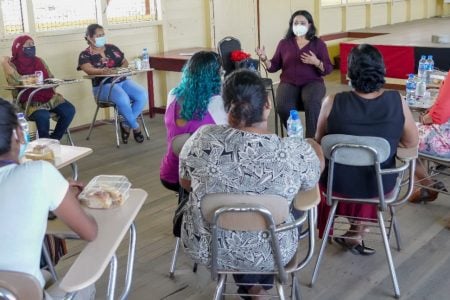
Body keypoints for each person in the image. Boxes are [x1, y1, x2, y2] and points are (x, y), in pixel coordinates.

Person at [179, 70, 324, 299]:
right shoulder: (292, 152)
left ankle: (252, 287)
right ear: (267, 104)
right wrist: (313, 146)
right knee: (288, 204)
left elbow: (185, 183)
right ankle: (258, 287)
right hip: (275, 252)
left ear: (226, 108)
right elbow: (312, 179)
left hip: (212, 246)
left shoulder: (201, 138)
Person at [315, 44, 418, 255]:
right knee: (373, 170)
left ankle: (356, 229)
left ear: (350, 72)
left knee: (353, 171)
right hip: (378, 187)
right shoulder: (397, 102)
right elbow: (411, 143)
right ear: (382, 70)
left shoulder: (332, 102)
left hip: (336, 184)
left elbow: (319, 142)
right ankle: (359, 229)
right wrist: (383, 143)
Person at [0, 98, 98, 298]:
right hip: (17, 292)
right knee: (85, 286)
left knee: (45, 274)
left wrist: (55, 191)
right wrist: (64, 197)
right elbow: (90, 232)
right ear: (17, 133)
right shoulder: (40, 174)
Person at [255, 10, 333, 138]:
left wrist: (316, 62)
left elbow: (328, 69)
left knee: (312, 101)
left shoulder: (318, 44)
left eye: (302, 23)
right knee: (282, 104)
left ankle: (312, 139)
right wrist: (264, 58)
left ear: (310, 25)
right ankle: (295, 136)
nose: (299, 25)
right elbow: (273, 66)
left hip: (312, 82)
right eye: (296, 23)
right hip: (289, 82)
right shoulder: (284, 43)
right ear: (291, 25)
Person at [160, 51, 227, 196]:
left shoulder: (173, 94)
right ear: (216, 76)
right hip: (199, 177)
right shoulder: (217, 104)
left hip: (170, 172)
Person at [78, 23, 146, 144]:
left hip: (122, 80)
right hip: (103, 86)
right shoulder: (85, 54)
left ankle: (126, 123)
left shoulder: (112, 48)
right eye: (98, 35)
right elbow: (88, 69)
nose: (101, 37)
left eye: (103, 34)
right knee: (123, 98)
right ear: (89, 37)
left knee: (142, 94)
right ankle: (136, 127)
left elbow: (124, 62)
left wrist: (121, 69)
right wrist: (101, 71)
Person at [1, 35, 76, 140]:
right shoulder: (13, 65)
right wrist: (4, 62)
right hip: (29, 103)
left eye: (33, 44)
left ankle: (54, 140)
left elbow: (50, 77)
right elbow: (15, 81)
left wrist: (54, 82)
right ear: (19, 48)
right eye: (28, 45)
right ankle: (44, 143)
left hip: (50, 98)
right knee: (43, 116)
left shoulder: (39, 61)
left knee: (69, 110)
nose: (32, 47)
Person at [408, 72, 450, 203]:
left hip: (446, 141)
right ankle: (421, 189)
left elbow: (439, 116)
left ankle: (428, 185)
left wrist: (426, 118)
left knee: (405, 137)